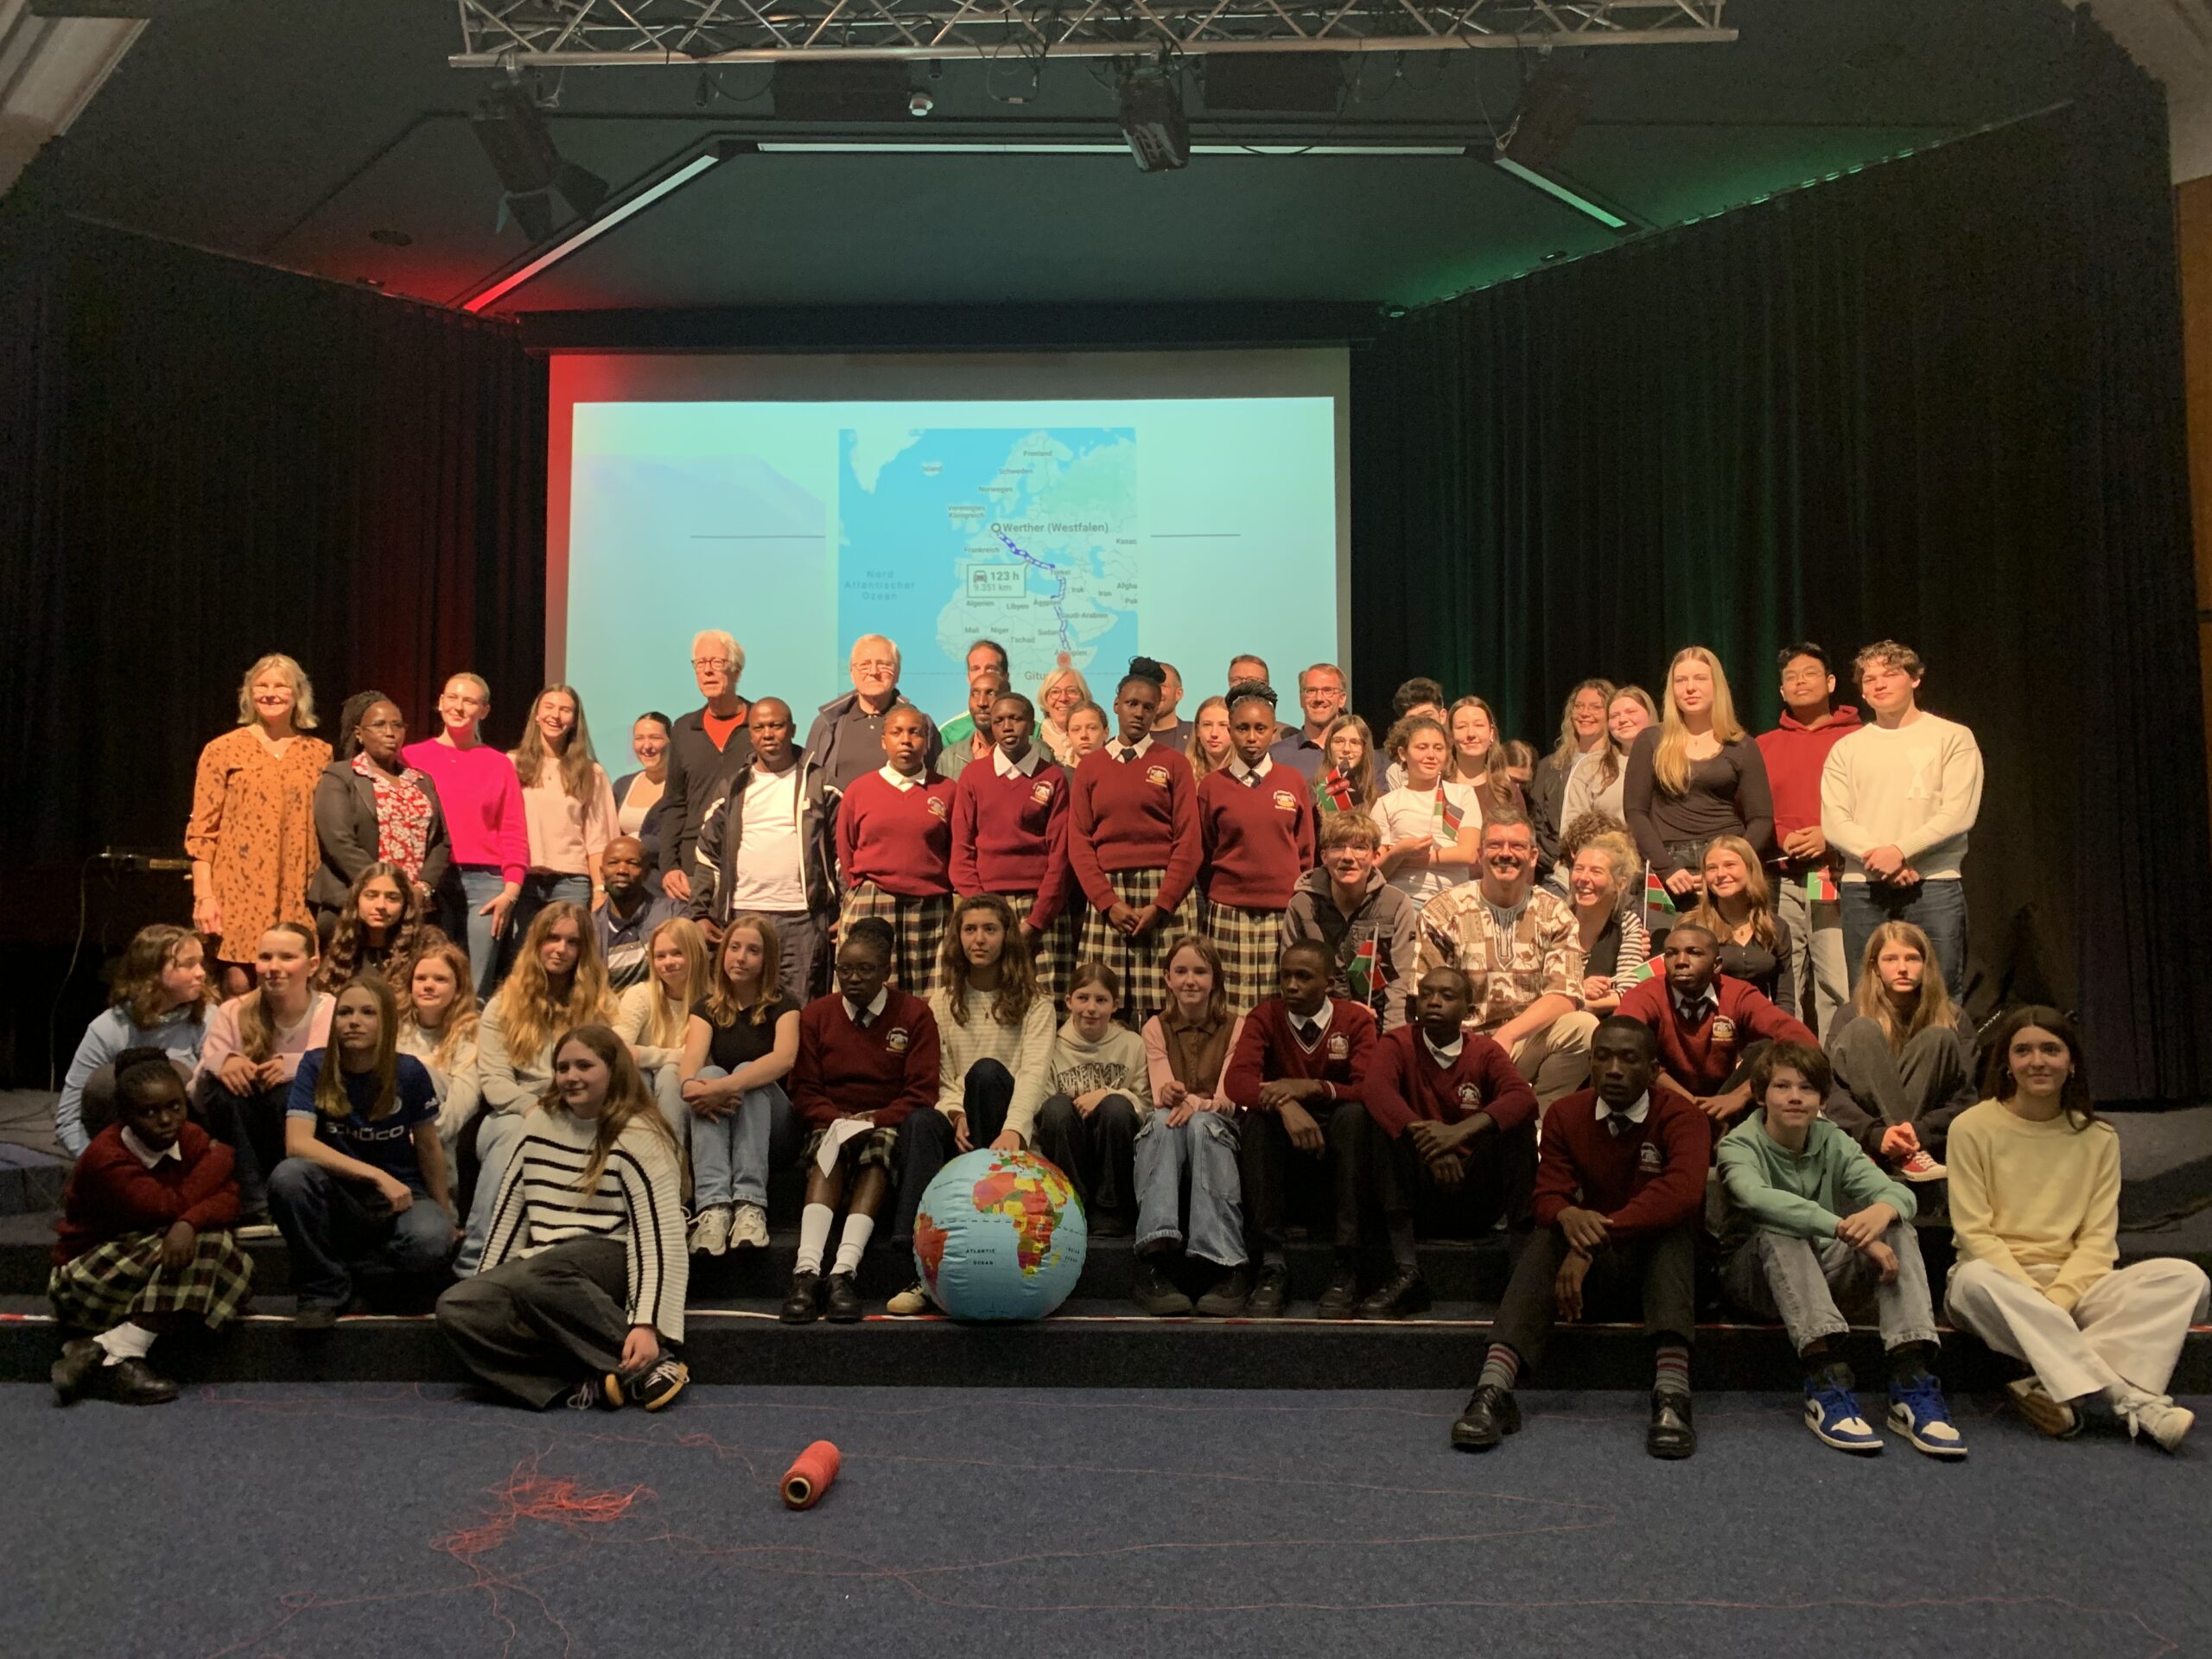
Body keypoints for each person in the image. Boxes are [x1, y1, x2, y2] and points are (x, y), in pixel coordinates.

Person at [1943, 1007, 2208, 1450]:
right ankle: (2129, 1398)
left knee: (2188, 1280)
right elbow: (1975, 1234)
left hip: (2076, 1289)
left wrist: (2057, 1303)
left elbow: (2097, 1242)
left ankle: (2050, 1382)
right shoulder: (1971, 1128)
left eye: (2051, 1050)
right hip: (1999, 1288)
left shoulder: (2099, 1137)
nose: (2037, 1061)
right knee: (1973, 1280)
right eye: (2023, 1051)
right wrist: (2034, 1299)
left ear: (2072, 1063)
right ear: (2007, 1064)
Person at [1452, 1018, 1702, 1459]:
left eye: (1628, 1058)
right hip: (1589, 1281)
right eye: (1602, 1057)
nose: (1614, 1069)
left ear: (1652, 1069)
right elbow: (1548, 1194)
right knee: (1549, 1232)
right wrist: (1567, 1215)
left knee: (1673, 1230)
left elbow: (1680, 1194)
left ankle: (1672, 1396)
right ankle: (1493, 1391)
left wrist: (1590, 1241)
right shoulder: (1566, 1113)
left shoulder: (1683, 1116)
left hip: (1663, 1275)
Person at [1717, 1041, 1961, 1457]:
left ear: (1822, 1100)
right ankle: (1824, 1379)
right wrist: (1841, 1227)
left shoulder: (1833, 1140)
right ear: (1761, 1096)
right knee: (1783, 1228)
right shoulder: (1738, 1145)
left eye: (1807, 1088)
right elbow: (1757, 1198)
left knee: (1896, 1227)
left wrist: (1883, 1210)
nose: (1795, 1097)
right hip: (1755, 1282)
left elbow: (1901, 1194)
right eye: (1782, 1086)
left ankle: (1910, 1381)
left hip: (1822, 1273)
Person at [437, 1024, 690, 1411]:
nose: (571, 1076)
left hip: (611, 1257)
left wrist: (648, 1325)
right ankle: (580, 1376)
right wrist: (489, 1286)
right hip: (544, 1270)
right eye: (562, 1067)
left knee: (538, 1274)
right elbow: (511, 1213)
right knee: (458, 1304)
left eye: (584, 1066)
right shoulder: (539, 1122)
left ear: (613, 1071)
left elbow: (659, 1236)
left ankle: (652, 1364)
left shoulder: (639, 1132)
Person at [48, 1050, 253, 1406]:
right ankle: (118, 1353)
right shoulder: (106, 1158)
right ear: (125, 1116)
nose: (166, 1120)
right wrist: (220, 1157)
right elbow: (165, 1206)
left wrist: (189, 1220)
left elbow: (231, 1198)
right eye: (150, 1112)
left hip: (142, 1260)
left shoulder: (187, 1136)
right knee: (213, 1248)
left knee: (231, 1260)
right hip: (85, 1278)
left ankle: (109, 1348)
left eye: (175, 1107)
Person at [886, 895, 1058, 1313]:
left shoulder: (1036, 1003)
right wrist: (955, 1113)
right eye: (969, 929)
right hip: (963, 1127)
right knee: (920, 1121)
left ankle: (984, 1227)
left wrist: (1013, 1128)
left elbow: (1033, 1074)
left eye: (989, 929)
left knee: (985, 1072)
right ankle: (919, 1263)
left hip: (1009, 1132)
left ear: (1007, 937)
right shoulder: (942, 1002)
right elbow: (940, 1076)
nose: (978, 939)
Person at [268, 975, 454, 1327]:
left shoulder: (410, 1072)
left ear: (387, 1021)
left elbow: (429, 1147)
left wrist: (445, 1215)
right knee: (288, 1177)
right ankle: (323, 1290)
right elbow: (297, 1144)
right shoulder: (315, 1065)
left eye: (368, 1012)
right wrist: (375, 1175)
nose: (354, 1021)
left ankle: (355, 1273)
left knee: (430, 1241)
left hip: (400, 1198)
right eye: (345, 1012)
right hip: (339, 1195)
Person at [1359, 966, 1538, 1318]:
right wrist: (1430, 1143)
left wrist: (1459, 1132)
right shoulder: (1397, 1042)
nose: (1434, 1002)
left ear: (1468, 1010)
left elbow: (1523, 1099)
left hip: (1474, 1194)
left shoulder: (1486, 1051)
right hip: (1418, 1191)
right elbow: (1375, 1090)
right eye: (1426, 994)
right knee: (1378, 1122)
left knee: (1517, 1126)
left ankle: (1520, 1272)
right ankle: (1407, 1271)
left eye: (1446, 995)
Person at [785, 918, 939, 1323]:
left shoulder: (915, 1014)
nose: (853, 979)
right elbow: (803, 1089)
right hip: (830, 1120)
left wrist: (874, 1120)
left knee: (877, 1150)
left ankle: (843, 1273)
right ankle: (806, 1273)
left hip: (886, 1123)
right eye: (845, 970)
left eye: (865, 970)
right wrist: (836, 1119)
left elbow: (922, 1092)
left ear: (886, 971)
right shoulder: (816, 1014)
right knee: (829, 1146)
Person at [458, 902, 617, 1275]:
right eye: (552, 938)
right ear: (536, 943)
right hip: (513, 1110)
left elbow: (609, 1072)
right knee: (515, 1133)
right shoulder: (502, 1005)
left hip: (578, 1110)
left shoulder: (600, 1004)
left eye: (572, 942)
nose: (560, 949)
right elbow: (496, 1082)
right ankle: (474, 1266)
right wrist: (534, 1111)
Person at [1821, 640, 1984, 1001]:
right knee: (1867, 995)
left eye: (1890, 674)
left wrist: (1901, 852)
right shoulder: (1847, 748)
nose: (1879, 684)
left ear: (1914, 679)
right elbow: (1835, 820)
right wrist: (1881, 858)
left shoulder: (1952, 737)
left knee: (1941, 995)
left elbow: (1958, 813)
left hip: (1933, 883)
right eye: (1869, 678)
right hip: (1864, 887)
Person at [1225, 942, 1376, 1319]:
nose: (1291, 985)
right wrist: (1285, 1103)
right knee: (1256, 1121)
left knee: (1355, 1116)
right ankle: (1271, 1262)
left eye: (1303, 977)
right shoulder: (1265, 1015)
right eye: (1286, 976)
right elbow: (1237, 1082)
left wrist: (1313, 1088)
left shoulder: (1354, 1020)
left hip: (1335, 1138)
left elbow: (1370, 1088)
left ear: (1329, 983)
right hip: (1284, 1140)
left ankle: (1347, 1264)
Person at [1414, 812, 1597, 1110]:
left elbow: (1565, 994)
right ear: (1479, 854)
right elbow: (1428, 999)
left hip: (1523, 1042)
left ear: (1533, 856)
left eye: (1517, 846)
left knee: (1583, 1027)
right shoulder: (1442, 912)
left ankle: (1541, 1118)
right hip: (1460, 1046)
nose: (1506, 853)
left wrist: (1508, 1035)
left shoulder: (1555, 913)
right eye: (1495, 845)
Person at [187, 653, 331, 995]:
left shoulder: (320, 753)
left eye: (280, 686)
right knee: (239, 984)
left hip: (298, 888)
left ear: (298, 694)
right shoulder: (222, 749)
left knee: (295, 984)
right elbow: (202, 833)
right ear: (249, 693)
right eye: (261, 685)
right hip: (239, 888)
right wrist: (204, 896)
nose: (270, 693)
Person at [1070, 663, 1203, 1024]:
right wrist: (1107, 902)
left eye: (1148, 707)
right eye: (1131, 704)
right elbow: (1079, 842)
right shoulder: (1091, 767)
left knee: (1172, 1006)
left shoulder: (1174, 764)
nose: (1139, 713)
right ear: (1116, 705)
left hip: (1165, 894)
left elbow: (1189, 841)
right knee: (1105, 1002)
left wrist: (1162, 904)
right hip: (1109, 894)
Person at [690, 697, 839, 1004]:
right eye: (759, 728)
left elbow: (843, 852)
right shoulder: (733, 787)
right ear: (750, 734)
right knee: (742, 1007)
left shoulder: (820, 783)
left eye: (776, 726)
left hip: (802, 919)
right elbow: (708, 853)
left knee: (799, 1008)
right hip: (743, 914)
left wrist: (846, 910)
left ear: (792, 729)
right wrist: (700, 912)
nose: (768, 734)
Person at [1133, 935, 1249, 1316]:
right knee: (1162, 1123)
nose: (1190, 980)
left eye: (1200, 971)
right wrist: (1172, 1093)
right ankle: (1155, 1257)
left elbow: (1228, 1098)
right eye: (1181, 971)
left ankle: (1224, 1261)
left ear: (1215, 979)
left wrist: (1194, 1103)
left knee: (1203, 1125)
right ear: (1167, 978)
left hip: (1220, 1126)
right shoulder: (1155, 1027)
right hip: (1173, 1122)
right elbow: (1161, 1092)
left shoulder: (1237, 1026)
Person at [1613, 922, 1817, 1136]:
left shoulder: (1738, 994)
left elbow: (1805, 1040)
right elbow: (1619, 1042)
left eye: (1694, 953)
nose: (1681, 962)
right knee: (1623, 1057)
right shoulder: (1646, 994)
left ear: (1717, 965)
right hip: (1660, 1099)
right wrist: (1689, 1103)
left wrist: (1740, 1095)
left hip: (1723, 1104)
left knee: (1768, 1050)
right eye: (1671, 954)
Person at [190, 923, 334, 1220]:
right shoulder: (233, 1010)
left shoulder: (328, 1009)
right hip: (246, 1128)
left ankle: (291, 1196)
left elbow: (333, 1070)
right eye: (266, 957)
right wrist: (224, 1062)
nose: (273, 967)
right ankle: (252, 1203)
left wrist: (290, 1066)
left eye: (287, 957)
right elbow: (197, 1091)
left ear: (312, 965)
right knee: (223, 1089)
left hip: (302, 1130)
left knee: (292, 1089)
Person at [679, 912, 801, 1255]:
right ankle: (714, 1209)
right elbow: (690, 1060)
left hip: (775, 1127)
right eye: (734, 948)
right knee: (709, 1075)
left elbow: (784, 1059)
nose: (741, 957)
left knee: (749, 1075)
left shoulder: (785, 1003)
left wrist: (728, 1086)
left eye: (753, 951)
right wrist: (692, 1086)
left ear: (767, 960)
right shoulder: (706, 1007)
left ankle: (750, 1204)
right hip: (726, 1118)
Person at [403, 673, 528, 1000]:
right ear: (440, 702)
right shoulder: (411, 757)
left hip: (486, 884)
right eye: (453, 698)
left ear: (484, 711)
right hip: (431, 878)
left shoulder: (499, 764)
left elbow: (513, 829)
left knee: (476, 984)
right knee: (431, 975)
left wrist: (511, 891)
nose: (459, 707)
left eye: (469, 701)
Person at [1755, 645, 1858, 1034]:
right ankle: (1790, 1061)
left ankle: (1840, 1062)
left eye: (1810, 673)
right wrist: (1780, 835)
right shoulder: (1763, 745)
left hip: (1835, 875)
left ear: (1830, 683)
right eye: (1791, 677)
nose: (1800, 682)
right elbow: (1750, 808)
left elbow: (1874, 805)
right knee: (1784, 980)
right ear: (1781, 691)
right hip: (1779, 879)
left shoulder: (1859, 738)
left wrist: (1828, 837)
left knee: (1838, 979)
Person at [1198, 681, 1318, 1014]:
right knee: (1227, 1008)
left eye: (1260, 728)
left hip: (1282, 912)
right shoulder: (1212, 785)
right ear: (1230, 731)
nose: (1251, 737)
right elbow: (1205, 851)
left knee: (1278, 1004)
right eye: (1242, 728)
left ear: (1273, 731)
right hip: (1229, 910)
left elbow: (1305, 850)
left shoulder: (1292, 780)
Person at [1825, 922, 1975, 1184]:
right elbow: (1831, 1091)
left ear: (1926, 965)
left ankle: (1902, 1153)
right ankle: (1903, 1157)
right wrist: (1876, 1136)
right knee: (1862, 1029)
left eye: (1912, 958)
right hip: (1866, 1137)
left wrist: (1919, 1132)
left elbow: (1964, 1097)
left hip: (1927, 1139)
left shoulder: (1953, 1018)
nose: (1902, 968)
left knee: (1938, 1037)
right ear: (1875, 967)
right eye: (1891, 959)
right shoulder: (1850, 1014)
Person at [950, 690, 1078, 998]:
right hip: (987, 904)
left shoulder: (1052, 777)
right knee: (989, 999)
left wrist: (1037, 921)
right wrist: (983, 912)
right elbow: (962, 849)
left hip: (1041, 906)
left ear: (1031, 724)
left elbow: (1060, 856)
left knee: (1045, 999)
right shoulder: (973, 776)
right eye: (999, 721)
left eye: (1016, 719)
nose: (1007, 727)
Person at [1624, 647, 1775, 911]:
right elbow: (1635, 812)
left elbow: (1761, 818)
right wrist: (1666, 868)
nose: (1690, 688)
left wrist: (1732, 864)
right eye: (1681, 680)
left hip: (1724, 866)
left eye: (1700, 679)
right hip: (1668, 863)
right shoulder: (1651, 740)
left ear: (1717, 685)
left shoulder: (1741, 745)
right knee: (1668, 938)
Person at [55, 925, 212, 1157]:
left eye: (200, 963)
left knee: (177, 1074)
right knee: (104, 1081)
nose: (201, 973)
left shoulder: (210, 1020)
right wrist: (101, 1165)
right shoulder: (109, 1028)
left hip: (186, 1156)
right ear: (153, 972)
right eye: (188, 964)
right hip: (123, 1155)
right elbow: (69, 1117)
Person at [836, 704, 958, 997]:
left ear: (926, 741)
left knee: (930, 995)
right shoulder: (860, 789)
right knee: (868, 992)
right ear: (884, 741)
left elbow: (956, 849)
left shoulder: (947, 790)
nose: (906, 740)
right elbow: (846, 846)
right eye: (897, 732)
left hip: (929, 906)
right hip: (873, 900)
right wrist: (861, 888)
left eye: (915, 733)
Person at [308, 696, 449, 938]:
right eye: (379, 725)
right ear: (359, 734)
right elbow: (339, 842)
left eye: (397, 725)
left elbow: (441, 841)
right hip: (355, 903)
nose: (390, 733)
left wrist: (422, 888)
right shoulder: (340, 777)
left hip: (414, 908)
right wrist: (386, 888)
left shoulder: (420, 780)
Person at [1033, 961, 1152, 1238]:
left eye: (1101, 1000)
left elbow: (1146, 1107)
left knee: (1116, 1107)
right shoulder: (1051, 1045)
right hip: (1066, 1152)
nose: (1091, 1008)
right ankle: (1072, 1204)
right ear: (1068, 1001)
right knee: (1057, 1108)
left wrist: (1109, 1093)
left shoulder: (1132, 1044)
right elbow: (1039, 1110)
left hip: (1113, 1153)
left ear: (1115, 1005)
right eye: (1083, 998)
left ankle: (1111, 1209)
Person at [1279, 813, 1419, 1032]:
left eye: (1360, 848)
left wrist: (1392, 1042)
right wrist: (1341, 1012)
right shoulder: (1302, 905)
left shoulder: (1397, 905)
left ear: (1375, 855)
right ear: (1324, 856)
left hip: (1378, 1027)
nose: (1348, 857)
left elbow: (1399, 985)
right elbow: (1292, 982)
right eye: (1337, 847)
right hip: (1317, 1025)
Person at [509, 684, 619, 948]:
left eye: (565, 710)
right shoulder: (511, 764)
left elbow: (597, 840)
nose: (555, 715)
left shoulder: (591, 773)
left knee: (568, 956)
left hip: (571, 882)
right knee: (523, 958)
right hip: (523, 880)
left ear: (575, 720)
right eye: (549, 707)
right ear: (536, 715)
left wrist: (600, 891)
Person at [658, 631, 753, 906]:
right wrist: (669, 866)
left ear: (737, 670)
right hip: (694, 864)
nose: (707, 671)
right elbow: (675, 802)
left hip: (750, 859)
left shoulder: (760, 725)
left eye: (717, 662)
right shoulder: (684, 728)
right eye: (700, 663)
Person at [1370, 715, 1480, 915]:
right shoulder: (1386, 804)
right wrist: (1398, 853)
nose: (1431, 755)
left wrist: (1408, 857)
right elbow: (1377, 870)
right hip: (1404, 903)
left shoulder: (1463, 794)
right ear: (1403, 754)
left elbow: (1468, 853)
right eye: (1422, 747)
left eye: (1438, 748)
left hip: (1455, 902)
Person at [807, 634, 943, 795]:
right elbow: (811, 787)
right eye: (864, 665)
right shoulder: (827, 724)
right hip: (842, 812)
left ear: (898, 673)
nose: (873, 672)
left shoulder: (921, 724)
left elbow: (936, 784)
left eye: (884, 664)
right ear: (852, 673)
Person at [1676, 835, 1796, 1015]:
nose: (1720, 874)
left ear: (1750, 869)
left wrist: (1781, 1029)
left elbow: (1784, 997)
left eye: (1730, 865)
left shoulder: (1775, 927)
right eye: (1712, 868)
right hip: (1707, 1025)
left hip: (1760, 1025)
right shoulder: (1691, 927)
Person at [614, 914, 709, 1141]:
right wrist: (660, 1059)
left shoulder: (713, 999)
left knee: (669, 1074)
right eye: (660, 956)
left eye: (677, 953)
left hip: (692, 1090)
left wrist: (646, 1055)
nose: (668, 962)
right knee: (638, 1073)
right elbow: (618, 1049)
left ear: (695, 954)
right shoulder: (639, 995)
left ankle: (671, 1153)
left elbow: (699, 1057)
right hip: (644, 1083)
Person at [398, 940, 481, 1161]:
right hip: (393, 1129)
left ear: (458, 987)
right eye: (421, 978)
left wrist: (427, 1138)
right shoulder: (394, 1025)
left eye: (440, 979)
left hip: (440, 1135)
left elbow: (465, 1098)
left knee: (420, 1072)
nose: (428, 985)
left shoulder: (472, 1030)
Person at [317, 861, 442, 995]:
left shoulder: (427, 944)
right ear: (356, 900)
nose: (381, 905)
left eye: (392, 898)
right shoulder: (341, 940)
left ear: (405, 904)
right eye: (371, 896)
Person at [1531, 679, 1615, 878]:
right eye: (1579, 706)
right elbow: (1536, 824)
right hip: (1556, 871)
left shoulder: (1618, 765)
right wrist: (1557, 863)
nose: (1585, 713)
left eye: (1596, 707)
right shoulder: (1550, 767)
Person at [1564, 830, 1649, 1017]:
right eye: (1579, 869)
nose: (1583, 878)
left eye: (1596, 872)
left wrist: (1580, 1003)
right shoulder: (1554, 917)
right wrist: (1578, 989)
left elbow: (1629, 992)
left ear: (1621, 884)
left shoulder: (1627, 924)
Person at [1560, 685, 1658, 830]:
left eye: (1630, 712)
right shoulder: (1590, 767)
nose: (1622, 719)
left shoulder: (1674, 761)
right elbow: (1572, 828)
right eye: (1614, 716)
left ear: (1650, 714)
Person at [592, 836, 679, 992]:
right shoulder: (591, 929)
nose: (622, 870)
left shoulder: (673, 914)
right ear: (602, 873)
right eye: (613, 863)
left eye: (632, 863)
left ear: (646, 873)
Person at [611, 712, 673, 889]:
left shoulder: (683, 787)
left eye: (655, 738)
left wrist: (638, 845)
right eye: (639, 738)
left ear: (671, 741)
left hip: (662, 887)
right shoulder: (622, 785)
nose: (647, 746)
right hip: (625, 887)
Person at [1267, 663, 1351, 782]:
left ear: (1342, 699)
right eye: (1311, 691)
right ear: (1301, 699)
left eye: (1328, 691)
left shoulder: (1361, 754)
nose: (1319, 698)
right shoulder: (1276, 756)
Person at [1443, 696, 1517, 823]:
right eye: (1461, 727)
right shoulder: (1438, 787)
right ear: (1450, 735)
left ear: (1491, 733)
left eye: (1479, 725)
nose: (1471, 734)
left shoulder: (1507, 791)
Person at [938, 638, 1010, 753]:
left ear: (1005, 677)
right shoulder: (949, 734)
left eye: (991, 668)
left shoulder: (1032, 729)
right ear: (968, 677)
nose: (982, 674)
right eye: (975, 669)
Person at [938, 667, 1009, 783]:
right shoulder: (949, 758)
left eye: (991, 694)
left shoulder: (1032, 752)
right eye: (975, 694)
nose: (981, 703)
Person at [1381, 678, 1447, 791]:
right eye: (1413, 720)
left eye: (1427, 716)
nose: (1421, 725)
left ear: (1442, 716)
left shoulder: (1461, 759)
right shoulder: (1397, 771)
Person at [1311, 715, 1379, 819]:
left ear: (1365, 749)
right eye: (1339, 741)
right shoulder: (1311, 791)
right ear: (1329, 746)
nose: (1346, 749)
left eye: (1355, 742)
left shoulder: (1377, 800)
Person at [1036, 664, 1093, 767]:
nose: (1063, 698)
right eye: (1055, 692)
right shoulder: (1032, 735)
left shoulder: (1096, 737)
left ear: (1083, 698)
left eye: (1071, 691)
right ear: (1045, 700)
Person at [1185, 694, 1233, 785]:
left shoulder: (1247, 776)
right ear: (1197, 730)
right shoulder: (1184, 774)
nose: (1214, 734)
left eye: (1223, 725)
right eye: (1207, 725)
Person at [1148, 661, 1194, 752]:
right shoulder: (1131, 737)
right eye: (1150, 686)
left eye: (1161, 686)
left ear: (1178, 694)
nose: (1154, 692)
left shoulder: (1195, 735)